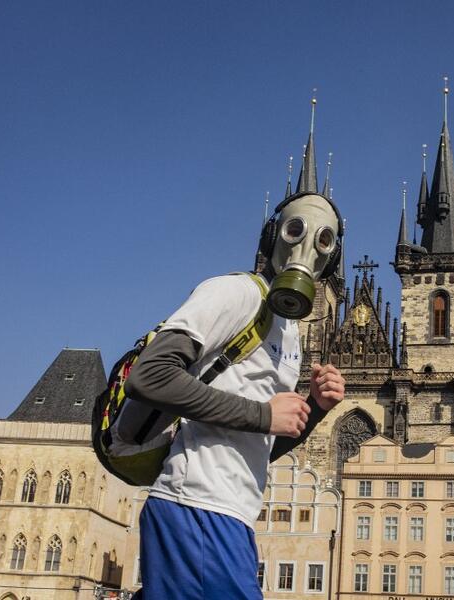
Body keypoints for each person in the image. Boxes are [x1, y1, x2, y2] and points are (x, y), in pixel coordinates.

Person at [124, 192, 346, 599]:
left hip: (234, 514)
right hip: (197, 504)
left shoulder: (289, 331)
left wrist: (313, 409)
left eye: (323, 240)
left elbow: (261, 444)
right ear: (272, 235)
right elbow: (149, 376)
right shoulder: (234, 293)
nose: (306, 247)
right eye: (296, 229)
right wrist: (264, 414)